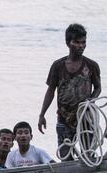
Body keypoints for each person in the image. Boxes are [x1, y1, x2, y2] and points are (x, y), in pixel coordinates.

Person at [38, 23, 101, 160]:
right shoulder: (58, 66)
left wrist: (90, 100)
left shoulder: (91, 65)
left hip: (85, 118)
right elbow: (50, 90)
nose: (81, 46)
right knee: (65, 156)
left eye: (83, 42)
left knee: (88, 155)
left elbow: (98, 87)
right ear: (68, 43)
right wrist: (42, 114)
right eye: (76, 42)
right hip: (64, 118)